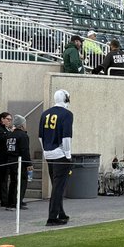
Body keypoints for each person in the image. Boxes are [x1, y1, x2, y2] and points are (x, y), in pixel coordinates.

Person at [39, 89, 73, 226]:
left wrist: (45, 151)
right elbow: (66, 137)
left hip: (48, 153)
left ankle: (61, 212)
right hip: (60, 154)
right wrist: (68, 155)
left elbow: (40, 137)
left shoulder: (45, 114)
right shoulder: (67, 114)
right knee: (59, 186)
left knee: (56, 184)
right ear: (66, 99)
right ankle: (52, 217)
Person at [0, 112, 16, 210]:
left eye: (10, 120)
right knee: (3, 179)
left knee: (12, 179)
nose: (9, 121)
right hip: (1, 159)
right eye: (8, 119)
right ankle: (4, 201)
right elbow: (1, 138)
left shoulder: (8, 130)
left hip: (10, 158)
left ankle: (12, 200)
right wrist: (10, 133)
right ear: (2, 119)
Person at [10, 115, 33, 208]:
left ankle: (11, 201)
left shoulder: (10, 134)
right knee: (21, 182)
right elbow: (25, 150)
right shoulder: (23, 135)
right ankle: (18, 201)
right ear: (22, 125)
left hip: (11, 160)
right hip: (20, 162)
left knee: (13, 182)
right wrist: (29, 163)